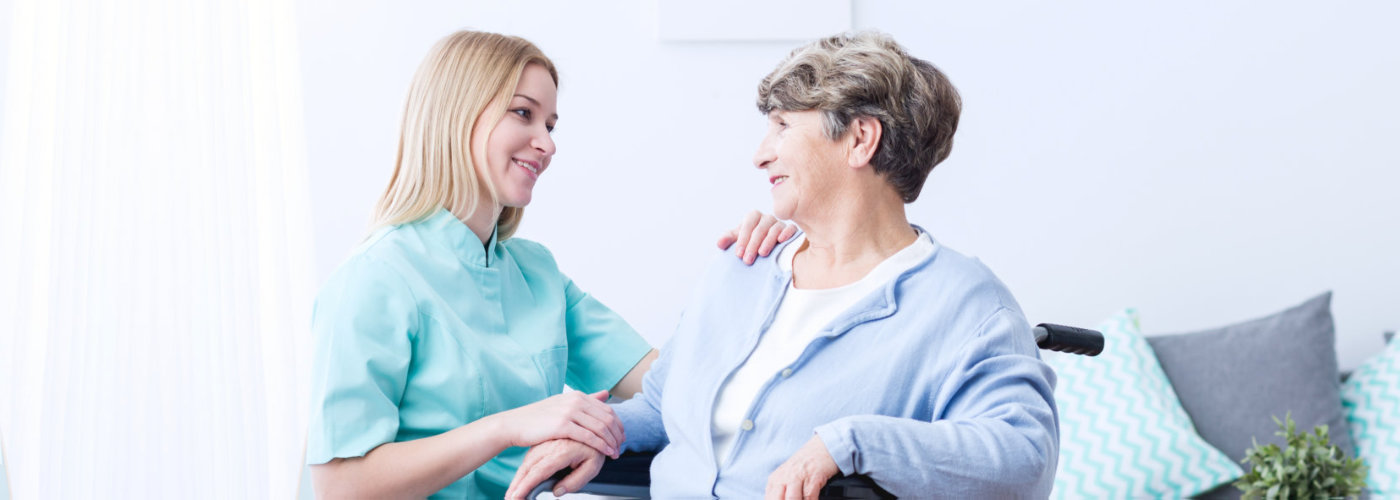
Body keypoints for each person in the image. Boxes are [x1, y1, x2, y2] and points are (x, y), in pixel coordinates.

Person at [507, 31, 1059, 499]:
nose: (760, 153)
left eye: (783, 126)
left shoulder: (966, 305)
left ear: (860, 139)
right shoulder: (743, 268)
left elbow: (1023, 455)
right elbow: (663, 405)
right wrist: (600, 432)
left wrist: (850, 442)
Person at [305, 30, 792, 499]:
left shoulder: (537, 274)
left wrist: (750, 272)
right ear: (456, 116)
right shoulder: (374, 279)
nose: (548, 143)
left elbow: (678, 387)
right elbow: (340, 486)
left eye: (551, 125)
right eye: (524, 114)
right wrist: (505, 427)